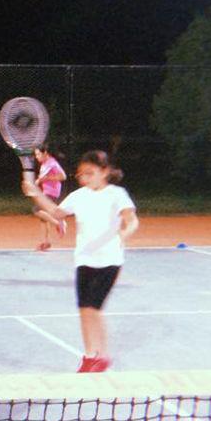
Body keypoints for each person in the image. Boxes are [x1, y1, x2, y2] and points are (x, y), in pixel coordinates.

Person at [22, 150, 138, 373]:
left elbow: (132, 221)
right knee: (84, 309)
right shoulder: (79, 195)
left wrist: (124, 234)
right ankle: (89, 355)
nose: (85, 178)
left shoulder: (117, 194)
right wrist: (36, 193)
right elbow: (57, 213)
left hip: (110, 261)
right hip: (84, 260)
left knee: (94, 308)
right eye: (82, 174)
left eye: (90, 173)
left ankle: (102, 356)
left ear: (104, 172)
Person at [32, 144, 67, 251]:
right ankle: (45, 242)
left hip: (52, 192)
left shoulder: (51, 163)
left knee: (36, 210)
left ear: (45, 153)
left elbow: (63, 176)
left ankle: (59, 223)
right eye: (36, 154)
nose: (36, 157)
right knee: (43, 218)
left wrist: (43, 179)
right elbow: (42, 179)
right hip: (48, 191)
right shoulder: (45, 163)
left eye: (38, 154)